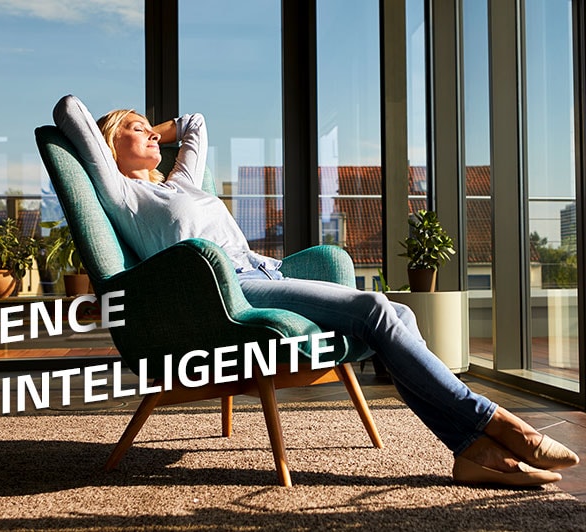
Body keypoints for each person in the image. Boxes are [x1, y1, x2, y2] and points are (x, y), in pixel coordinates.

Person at [53, 94, 579, 487]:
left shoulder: (182, 182)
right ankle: (497, 424)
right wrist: (112, 132)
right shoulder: (122, 195)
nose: (151, 135)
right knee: (378, 309)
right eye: (136, 129)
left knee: (399, 316)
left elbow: (196, 122)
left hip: (266, 273)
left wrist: (157, 130)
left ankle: (473, 452)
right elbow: (69, 110)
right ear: (109, 144)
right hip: (224, 292)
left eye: (152, 130)